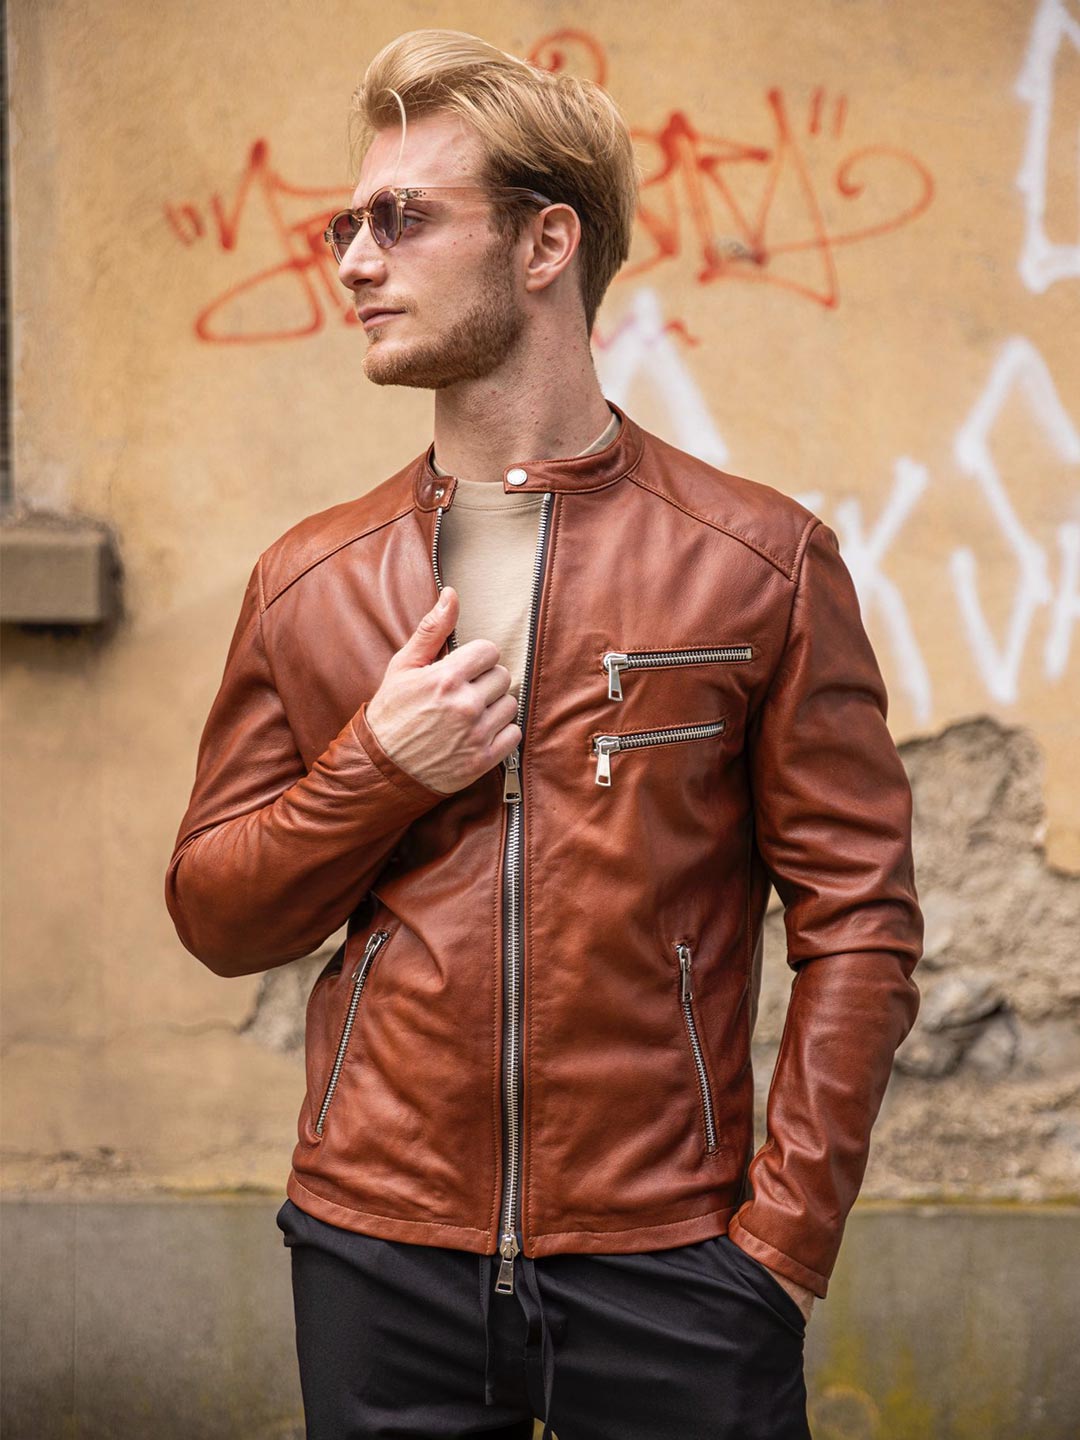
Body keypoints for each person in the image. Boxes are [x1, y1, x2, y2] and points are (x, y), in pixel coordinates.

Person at [164, 28, 923, 1440]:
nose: (354, 262)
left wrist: (781, 1247)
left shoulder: (757, 562)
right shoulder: (309, 580)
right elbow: (217, 914)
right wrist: (377, 772)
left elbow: (861, 923)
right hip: (378, 1249)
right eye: (346, 225)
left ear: (544, 243)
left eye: (403, 218)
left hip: (674, 1260)